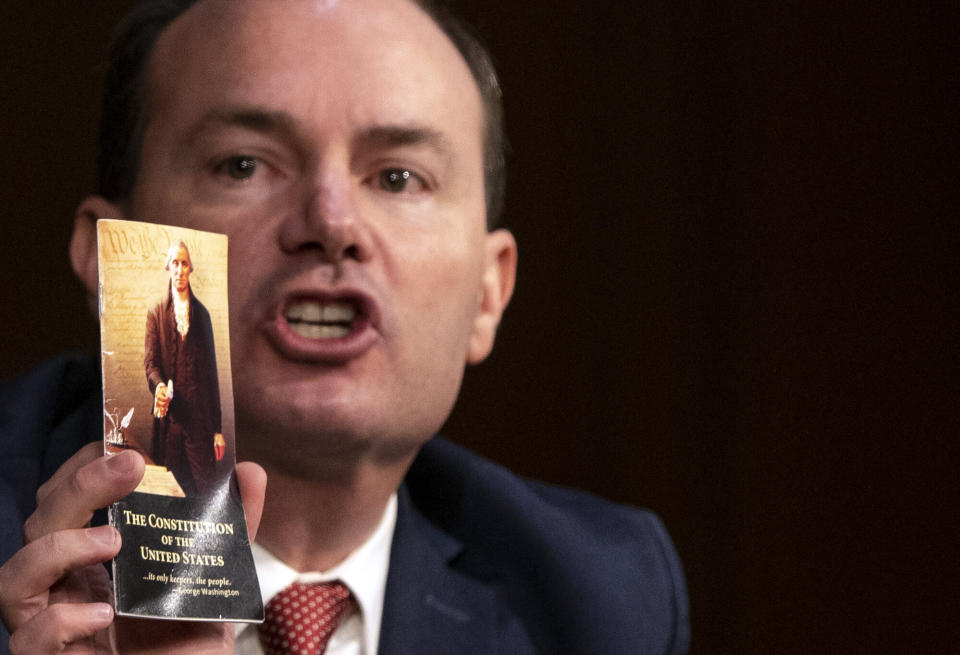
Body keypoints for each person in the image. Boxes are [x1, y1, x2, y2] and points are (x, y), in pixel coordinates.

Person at [0, 0, 690, 653]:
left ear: (488, 293)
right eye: (243, 164)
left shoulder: (600, 598)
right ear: (105, 251)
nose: (331, 223)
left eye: (397, 178)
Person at [145, 241, 225, 496]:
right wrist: (158, 386)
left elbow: (212, 376)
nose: (179, 270)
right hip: (169, 423)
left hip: (199, 424)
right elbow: (151, 364)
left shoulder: (202, 316)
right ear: (168, 267)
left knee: (204, 492)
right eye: (175, 263)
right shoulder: (156, 313)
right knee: (168, 493)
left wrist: (217, 430)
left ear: (190, 269)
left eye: (184, 263)